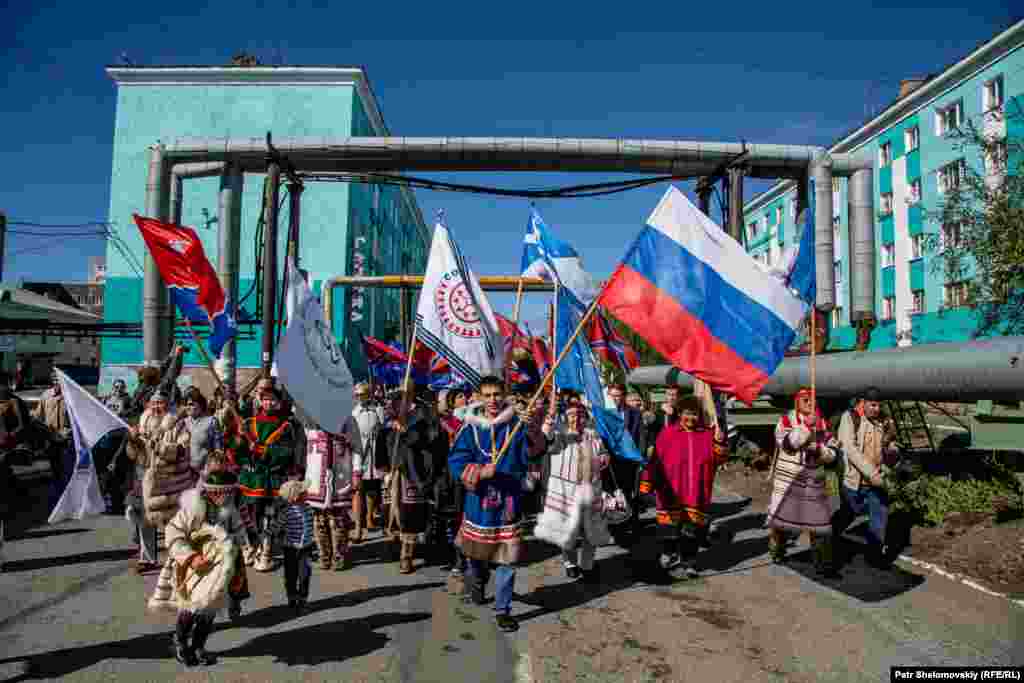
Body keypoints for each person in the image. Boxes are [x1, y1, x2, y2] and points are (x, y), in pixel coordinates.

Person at [448, 376, 546, 633]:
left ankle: (503, 609)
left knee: (507, 560)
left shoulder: (516, 424)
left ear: (504, 395)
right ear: (479, 397)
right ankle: (479, 579)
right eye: (487, 395)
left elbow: (532, 455)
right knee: (477, 557)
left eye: (496, 395)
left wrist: (533, 429)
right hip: (479, 502)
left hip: (508, 502)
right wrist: (479, 471)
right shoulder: (470, 428)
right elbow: (456, 461)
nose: (492, 400)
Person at [151, 458, 249, 667]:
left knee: (210, 609)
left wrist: (245, 544)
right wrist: (191, 557)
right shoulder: (193, 509)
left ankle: (198, 646)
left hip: (219, 567)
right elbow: (173, 532)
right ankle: (179, 642)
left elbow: (239, 529)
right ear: (211, 492)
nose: (226, 497)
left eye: (229, 493)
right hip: (194, 566)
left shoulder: (229, 509)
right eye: (222, 493)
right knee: (190, 607)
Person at [639, 396, 728, 578]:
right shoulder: (668, 434)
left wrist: (719, 442)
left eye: (694, 414)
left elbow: (720, 460)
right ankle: (669, 553)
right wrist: (647, 482)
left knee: (692, 530)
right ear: (680, 414)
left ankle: (689, 561)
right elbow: (656, 461)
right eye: (687, 413)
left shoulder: (707, 435)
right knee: (669, 528)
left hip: (697, 490)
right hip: (671, 490)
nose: (691, 417)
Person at [766, 387, 840, 577]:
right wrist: (806, 427)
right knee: (781, 524)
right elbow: (788, 445)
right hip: (788, 480)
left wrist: (821, 451)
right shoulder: (785, 421)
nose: (810, 404)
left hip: (813, 482)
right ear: (797, 402)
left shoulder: (822, 423)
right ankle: (777, 551)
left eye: (812, 400)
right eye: (805, 400)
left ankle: (823, 564)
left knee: (820, 524)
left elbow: (834, 453)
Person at [535, 403, 610, 582]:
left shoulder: (593, 435)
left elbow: (602, 452)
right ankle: (569, 563)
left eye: (580, 415)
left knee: (590, 531)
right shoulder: (559, 434)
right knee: (567, 530)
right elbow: (547, 441)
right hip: (564, 491)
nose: (576, 418)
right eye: (571, 414)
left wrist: (604, 456)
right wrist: (549, 420)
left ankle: (587, 565)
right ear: (565, 417)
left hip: (590, 489)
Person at [832, 387, 901, 569]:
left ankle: (875, 556)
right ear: (863, 402)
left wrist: (893, 451)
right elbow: (850, 449)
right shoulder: (850, 418)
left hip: (877, 480)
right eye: (873, 405)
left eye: (879, 405)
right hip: (855, 480)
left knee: (880, 514)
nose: (877, 409)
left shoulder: (884, 420)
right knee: (849, 512)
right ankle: (828, 536)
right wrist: (871, 474)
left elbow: (890, 442)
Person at [236, 384, 300, 572]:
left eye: (273, 399)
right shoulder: (248, 423)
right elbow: (237, 450)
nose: (269, 403)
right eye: (265, 399)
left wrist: (265, 452)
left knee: (270, 515)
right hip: (252, 476)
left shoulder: (286, 426)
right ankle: (251, 547)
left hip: (273, 476)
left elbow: (287, 452)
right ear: (260, 401)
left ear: (279, 403)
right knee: (250, 513)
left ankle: (266, 551)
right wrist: (242, 446)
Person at [386, 385, 445, 574]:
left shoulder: (426, 417)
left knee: (410, 514)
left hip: (417, 473)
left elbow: (430, 439)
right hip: (399, 471)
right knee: (397, 513)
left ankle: (407, 554)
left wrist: (406, 433)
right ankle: (400, 548)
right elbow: (390, 443)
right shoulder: (400, 417)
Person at [303, 415, 361, 571]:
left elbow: (357, 447)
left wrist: (357, 472)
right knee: (319, 520)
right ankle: (324, 555)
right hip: (316, 477)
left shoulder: (348, 420)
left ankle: (339, 555)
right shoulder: (310, 419)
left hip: (340, 476)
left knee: (338, 519)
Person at [603, 382, 650, 546]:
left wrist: (641, 457)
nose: (615, 399)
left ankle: (633, 524)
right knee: (615, 494)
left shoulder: (634, 413)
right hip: (612, 461)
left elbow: (641, 436)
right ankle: (616, 527)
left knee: (632, 492)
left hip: (630, 459)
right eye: (612, 396)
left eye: (618, 395)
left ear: (623, 396)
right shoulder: (605, 413)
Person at [351, 382, 387, 543]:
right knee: (358, 490)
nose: (361, 398)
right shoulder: (352, 411)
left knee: (372, 488)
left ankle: (369, 516)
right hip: (358, 452)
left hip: (374, 451)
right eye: (358, 395)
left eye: (364, 394)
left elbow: (382, 428)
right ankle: (358, 526)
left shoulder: (377, 409)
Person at [274, 479, 317, 611]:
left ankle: (303, 599)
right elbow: (277, 527)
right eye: (304, 492)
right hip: (290, 548)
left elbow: (311, 526)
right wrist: (272, 535)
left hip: (306, 548)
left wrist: (314, 544)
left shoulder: (309, 508)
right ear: (296, 497)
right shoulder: (286, 512)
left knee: (305, 575)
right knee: (290, 575)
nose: (307, 492)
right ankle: (292, 597)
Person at [33, 373, 72, 504]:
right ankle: (57, 493)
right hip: (50, 437)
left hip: (65, 437)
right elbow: (38, 415)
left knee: (66, 466)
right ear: (52, 381)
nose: (57, 381)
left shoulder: (69, 395)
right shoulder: (46, 395)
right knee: (54, 466)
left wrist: (69, 431)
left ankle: (66, 494)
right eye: (54, 379)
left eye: (59, 379)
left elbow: (75, 418)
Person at [131, 344, 186, 418]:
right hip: (158, 419)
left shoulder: (141, 387)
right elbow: (172, 372)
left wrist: (171, 355)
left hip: (145, 419)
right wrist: (178, 355)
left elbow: (162, 369)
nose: (158, 371)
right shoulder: (159, 387)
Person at [182, 389, 223, 485]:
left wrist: (210, 470)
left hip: (204, 473)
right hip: (185, 473)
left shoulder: (211, 421)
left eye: (191, 404)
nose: (188, 407)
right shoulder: (184, 422)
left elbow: (218, 450)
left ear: (200, 405)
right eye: (186, 404)